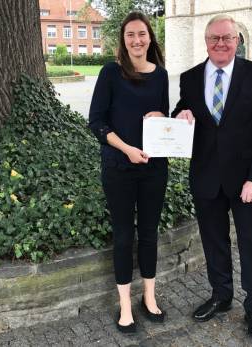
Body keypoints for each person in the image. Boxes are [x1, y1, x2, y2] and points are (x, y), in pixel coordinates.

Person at [172, 15, 252, 338]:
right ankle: (221, 295)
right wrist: (180, 113)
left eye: (227, 38)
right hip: (206, 177)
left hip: (247, 181)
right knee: (214, 241)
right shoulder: (190, 78)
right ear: (206, 42)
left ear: (238, 41)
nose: (220, 43)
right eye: (214, 38)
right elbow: (184, 109)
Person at [88, 12, 168, 334]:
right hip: (119, 167)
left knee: (149, 233)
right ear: (123, 39)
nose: (137, 40)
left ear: (150, 37)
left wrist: (165, 115)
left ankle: (149, 296)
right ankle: (124, 305)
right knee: (123, 236)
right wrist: (127, 149)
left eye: (142, 34)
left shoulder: (161, 75)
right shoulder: (111, 73)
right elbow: (96, 121)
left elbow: (163, 114)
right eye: (130, 35)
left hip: (154, 167)